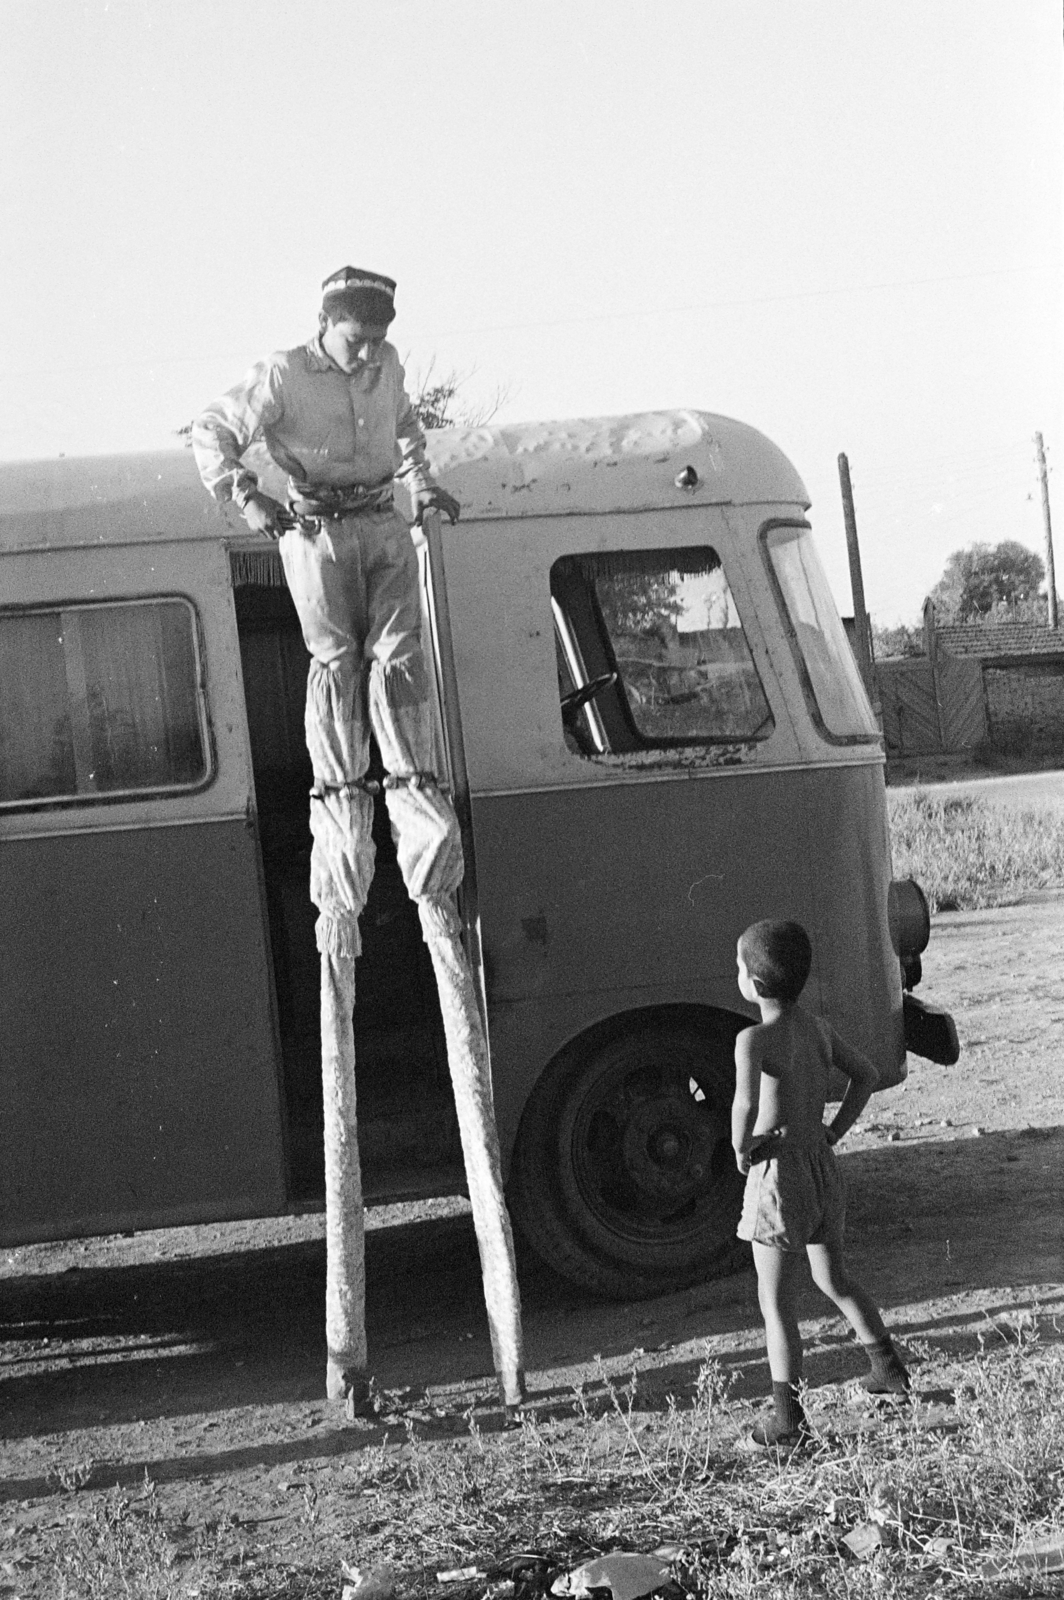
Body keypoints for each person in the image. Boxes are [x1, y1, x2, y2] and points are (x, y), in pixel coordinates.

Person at [192, 265, 465, 936]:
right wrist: (245, 493)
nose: (368, 351)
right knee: (338, 660)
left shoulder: (389, 364)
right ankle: (343, 799)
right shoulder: (284, 373)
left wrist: (424, 485)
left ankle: (413, 789)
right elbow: (211, 429)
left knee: (402, 651)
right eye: (356, 337)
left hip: (380, 519)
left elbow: (406, 430)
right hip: (316, 529)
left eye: (377, 338)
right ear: (325, 325)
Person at [732, 919, 910, 1449]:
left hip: (778, 1178)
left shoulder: (753, 1038)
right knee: (835, 1279)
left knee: (777, 1303)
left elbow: (745, 1105)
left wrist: (742, 1151)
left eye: (738, 968)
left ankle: (788, 1423)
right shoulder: (817, 1029)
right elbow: (868, 1075)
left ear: (755, 985)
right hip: (821, 1171)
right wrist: (835, 1129)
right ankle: (889, 1371)